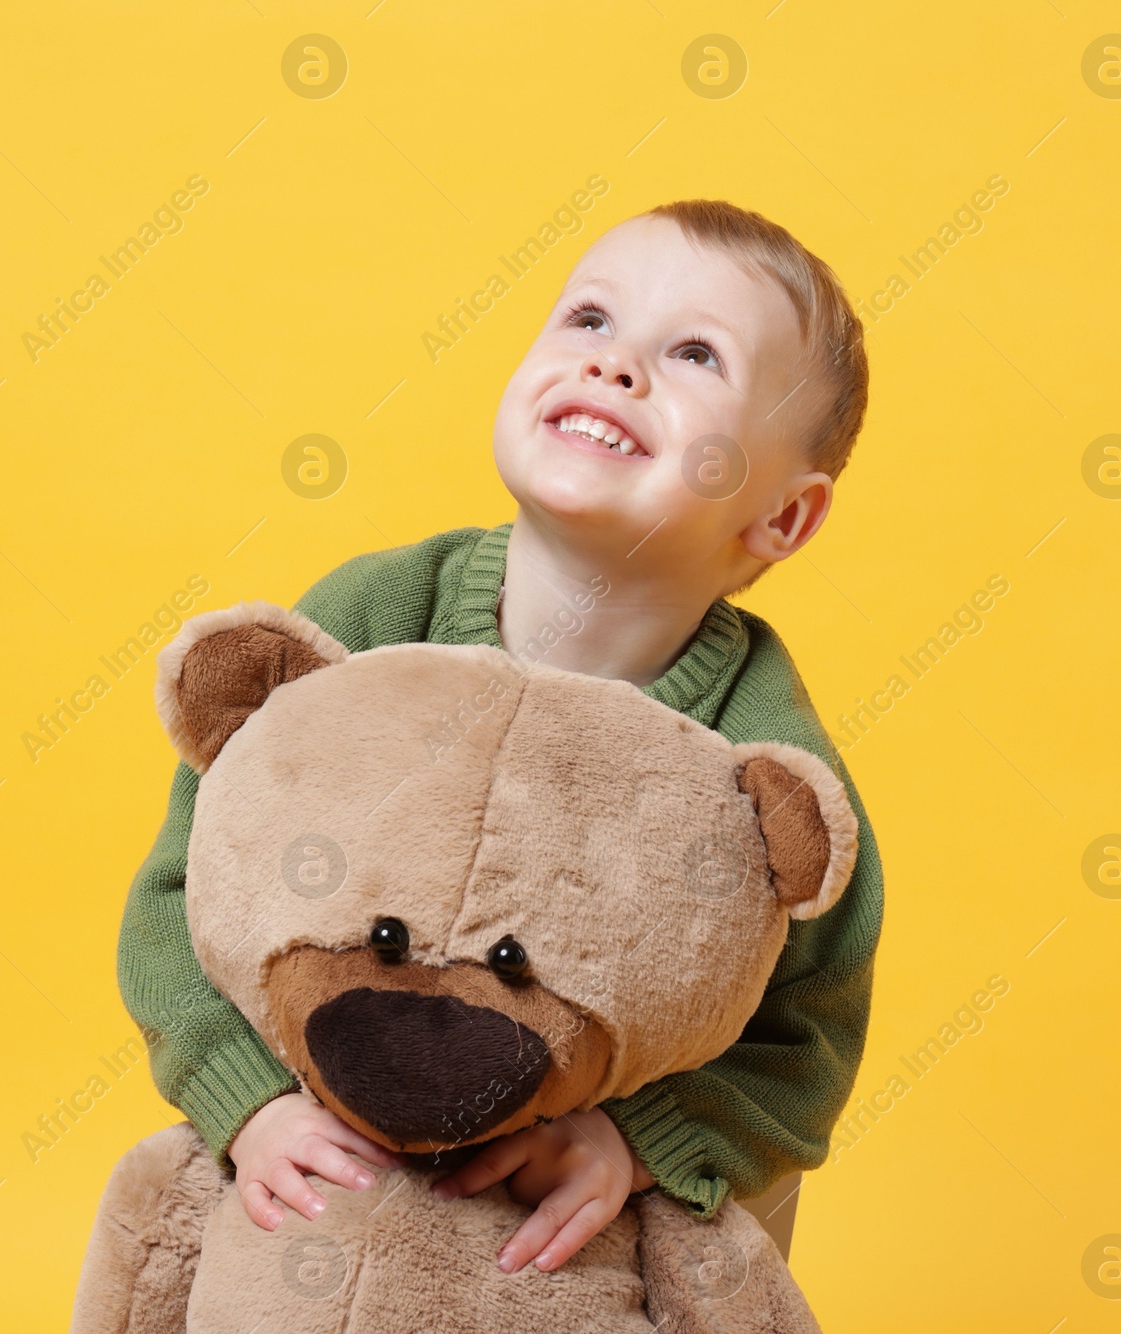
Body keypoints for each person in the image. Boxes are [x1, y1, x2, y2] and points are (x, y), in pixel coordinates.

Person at [118, 198, 883, 1277]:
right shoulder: (371, 620)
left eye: (695, 353)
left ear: (781, 517)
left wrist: (639, 1141)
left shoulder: (761, 770)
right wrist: (242, 1100)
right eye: (588, 320)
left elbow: (806, 1039)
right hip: (338, 1172)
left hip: (580, 1230)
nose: (616, 366)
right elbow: (190, 886)